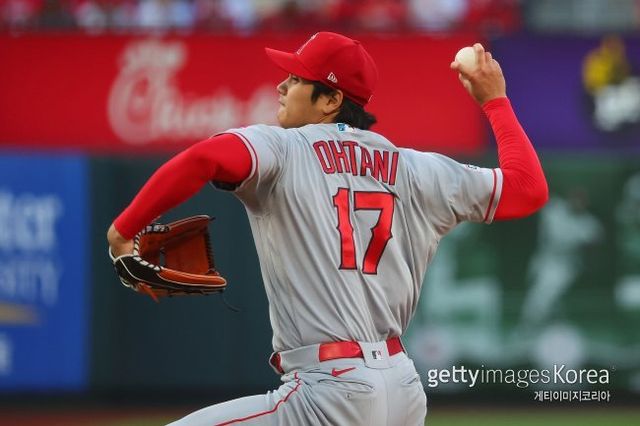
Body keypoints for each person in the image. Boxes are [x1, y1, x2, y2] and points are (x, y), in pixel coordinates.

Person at [107, 32, 548, 426]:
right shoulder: (418, 169)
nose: (281, 86)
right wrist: (495, 100)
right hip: (401, 389)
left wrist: (123, 231)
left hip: (330, 390)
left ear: (331, 100)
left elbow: (205, 158)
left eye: (296, 79)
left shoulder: (283, 148)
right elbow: (528, 189)